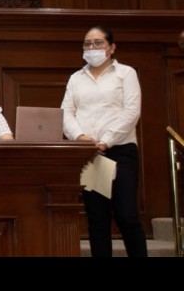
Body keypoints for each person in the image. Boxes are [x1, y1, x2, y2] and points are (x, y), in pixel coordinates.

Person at [61, 25, 148, 258]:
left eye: (98, 43)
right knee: (97, 218)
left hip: (120, 151)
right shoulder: (76, 78)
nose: (92, 47)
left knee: (126, 215)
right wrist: (80, 137)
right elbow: (66, 112)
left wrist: (106, 140)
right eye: (87, 43)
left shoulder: (126, 73)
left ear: (112, 48)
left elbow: (131, 112)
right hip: (91, 155)